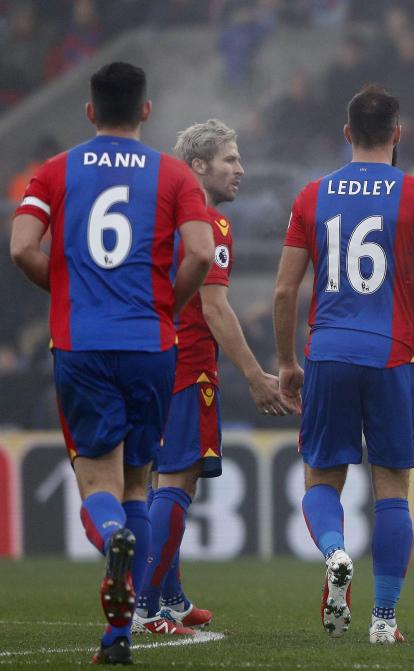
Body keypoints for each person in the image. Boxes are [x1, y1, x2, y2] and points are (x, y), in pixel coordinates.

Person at [9, 61, 213, 664]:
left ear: (90, 111)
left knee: (96, 480)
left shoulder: (54, 171)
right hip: (151, 343)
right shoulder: (174, 175)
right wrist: (164, 304)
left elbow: (21, 245)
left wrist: (71, 293)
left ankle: (115, 573)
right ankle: (119, 632)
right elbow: (200, 254)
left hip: (82, 342)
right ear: (146, 111)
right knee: (137, 482)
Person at [273, 84, 414, 645]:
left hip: (329, 353)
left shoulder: (312, 195)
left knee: (322, 478)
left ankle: (335, 553)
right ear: (398, 135)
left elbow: (285, 291)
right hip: (394, 357)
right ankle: (384, 620)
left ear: (346, 135)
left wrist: (288, 361)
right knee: (391, 490)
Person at [132, 119, 290, 635]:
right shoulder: (205, 223)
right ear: (198, 165)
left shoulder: (163, 215)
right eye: (230, 159)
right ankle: (145, 606)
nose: (241, 170)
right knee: (177, 480)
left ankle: (170, 595)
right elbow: (216, 307)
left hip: (151, 360)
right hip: (185, 366)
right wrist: (256, 375)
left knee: (168, 480)